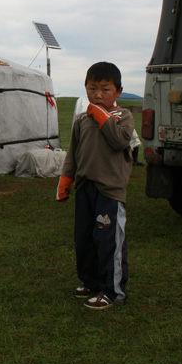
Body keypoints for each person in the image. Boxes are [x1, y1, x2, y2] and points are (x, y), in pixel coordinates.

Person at [56, 62, 134, 310]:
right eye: (92, 89)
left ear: (118, 91)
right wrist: (66, 179)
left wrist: (102, 117)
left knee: (107, 240)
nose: (98, 95)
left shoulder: (124, 117)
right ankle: (90, 282)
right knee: (85, 239)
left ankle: (113, 291)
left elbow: (119, 141)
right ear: (85, 89)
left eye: (105, 89)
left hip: (109, 191)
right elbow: (73, 152)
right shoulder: (81, 119)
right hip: (85, 188)